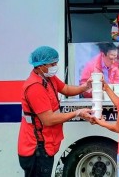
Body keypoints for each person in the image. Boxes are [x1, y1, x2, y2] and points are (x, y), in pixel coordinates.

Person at [18, 46, 93, 177]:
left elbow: (66, 89)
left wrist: (85, 87)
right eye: (52, 64)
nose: (55, 66)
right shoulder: (35, 88)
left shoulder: (48, 78)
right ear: (40, 65)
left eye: (56, 63)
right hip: (36, 148)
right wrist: (77, 112)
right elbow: (48, 120)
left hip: (45, 144)